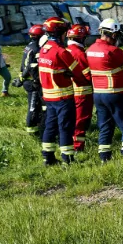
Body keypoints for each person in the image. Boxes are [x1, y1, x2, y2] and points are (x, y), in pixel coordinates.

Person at [37, 17, 91, 165]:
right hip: (63, 97)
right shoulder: (62, 52)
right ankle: (68, 159)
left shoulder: (44, 50)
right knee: (65, 127)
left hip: (48, 96)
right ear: (61, 32)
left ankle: (47, 158)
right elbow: (78, 74)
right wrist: (85, 83)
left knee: (50, 126)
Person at [87, 18, 123, 162]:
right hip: (115, 93)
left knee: (105, 126)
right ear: (114, 35)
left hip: (98, 94)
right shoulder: (112, 50)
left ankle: (104, 157)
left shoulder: (90, 50)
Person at [65, 24, 93, 154]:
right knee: (81, 120)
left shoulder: (67, 50)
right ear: (81, 38)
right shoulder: (79, 53)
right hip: (83, 92)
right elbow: (88, 75)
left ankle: (68, 142)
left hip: (70, 91)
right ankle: (78, 147)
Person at [13, 25, 45, 136]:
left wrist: (21, 78)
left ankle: (39, 127)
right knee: (33, 107)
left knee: (38, 106)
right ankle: (32, 131)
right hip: (32, 83)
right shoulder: (36, 48)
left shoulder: (29, 46)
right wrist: (23, 79)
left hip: (28, 81)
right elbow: (31, 67)